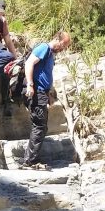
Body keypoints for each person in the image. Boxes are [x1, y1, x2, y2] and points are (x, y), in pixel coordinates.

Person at [22, 31, 71, 168]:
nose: (63, 48)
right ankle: (29, 161)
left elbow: (45, 74)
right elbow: (29, 64)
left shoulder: (50, 54)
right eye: (63, 45)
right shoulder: (43, 48)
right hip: (35, 91)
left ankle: (30, 159)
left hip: (41, 92)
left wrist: (48, 94)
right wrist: (30, 85)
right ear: (57, 39)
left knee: (41, 126)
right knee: (39, 125)